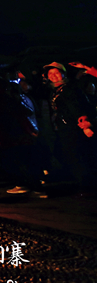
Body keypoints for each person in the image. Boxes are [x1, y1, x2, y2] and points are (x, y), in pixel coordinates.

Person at [0, 74, 39, 194]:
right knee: (18, 158)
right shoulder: (3, 96)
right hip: (12, 133)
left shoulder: (0, 98)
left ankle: (24, 184)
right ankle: (30, 184)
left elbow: (6, 117)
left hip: (8, 133)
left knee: (14, 159)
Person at [43, 62, 92, 192]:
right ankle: (81, 182)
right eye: (50, 73)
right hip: (62, 128)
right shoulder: (55, 90)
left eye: (56, 72)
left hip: (73, 128)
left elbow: (77, 107)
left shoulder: (69, 89)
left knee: (77, 156)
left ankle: (86, 185)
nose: (53, 75)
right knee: (67, 154)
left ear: (63, 74)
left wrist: (85, 125)